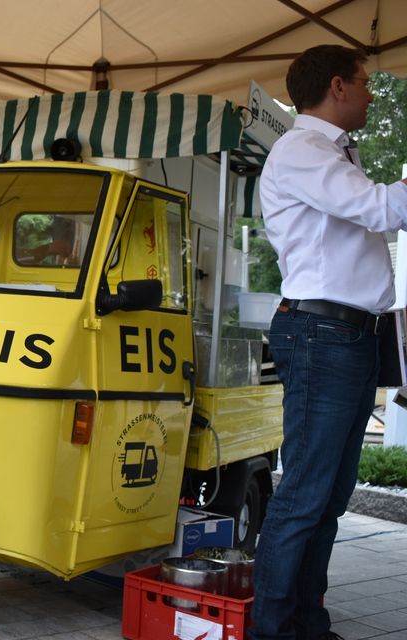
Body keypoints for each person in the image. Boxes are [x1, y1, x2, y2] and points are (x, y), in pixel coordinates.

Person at [251, 44, 407, 640]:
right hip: (324, 333)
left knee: (329, 496)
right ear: (337, 86)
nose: (371, 92)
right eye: (365, 82)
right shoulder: (303, 150)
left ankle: (305, 624)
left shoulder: (331, 154)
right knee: (306, 495)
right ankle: (274, 629)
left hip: (344, 334)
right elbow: (377, 209)